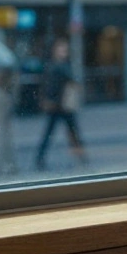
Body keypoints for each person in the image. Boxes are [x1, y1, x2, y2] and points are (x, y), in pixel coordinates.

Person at [34, 38, 88, 170]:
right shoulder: (60, 66)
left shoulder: (52, 65)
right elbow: (68, 81)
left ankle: (40, 157)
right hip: (60, 105)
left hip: (58, 104)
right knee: (70, 131)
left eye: (65, 50)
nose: (64, 52)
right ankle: (80, 155)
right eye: (61, 50)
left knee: (57, 131)